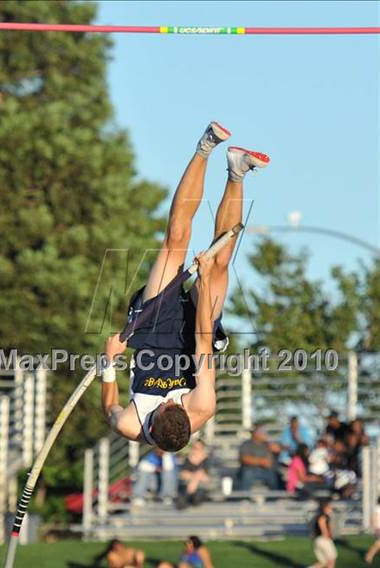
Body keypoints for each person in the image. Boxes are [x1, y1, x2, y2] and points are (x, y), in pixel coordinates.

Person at [100, 122, 269, 452]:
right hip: (195, 336)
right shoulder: (201, 408)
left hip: (150, 330)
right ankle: (237, 171)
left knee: (175, 241)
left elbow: (110, 408)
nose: (170, 400)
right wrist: (204, 284)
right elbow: (204, 340)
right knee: (219, 263)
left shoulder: (130, 423)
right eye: (177, 403)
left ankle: (204, 148)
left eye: (166, 404)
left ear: (156, 415)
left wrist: (109, 363)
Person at [238, 424, 280, 490]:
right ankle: (244, 497)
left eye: (263, 431)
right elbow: (244, 459)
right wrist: (261, 461)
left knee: (274, 475)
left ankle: (274, 499)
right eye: (260, 431)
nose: (263, 433)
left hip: (266, 471)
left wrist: (276, 449)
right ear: (254, 433)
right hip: (250, 470)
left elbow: (278, 451)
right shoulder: (246, 444)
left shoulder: (268, 444)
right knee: (247, 474)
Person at [177, 439, 210, 508]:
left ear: (202, 448)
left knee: (197, 478)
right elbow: (183, 474)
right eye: (195, 447)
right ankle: (189, 496)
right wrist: (194, 477)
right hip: (189, 483)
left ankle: (188, 497)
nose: (196, 450)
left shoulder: (206, 459)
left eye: (198, 448)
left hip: (201, 485)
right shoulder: (188, 458)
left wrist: (194, 477)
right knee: (195, 478)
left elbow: (205, 476)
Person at [307, 499, 337, 568]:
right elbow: (323, 527)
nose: (331, 508)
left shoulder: (317, 516)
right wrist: (328, 536)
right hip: (323, 539)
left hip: (316, 540)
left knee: (323, 562)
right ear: (325, 508)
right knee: (332, 560)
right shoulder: (323, 517)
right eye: (329, 507)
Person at [365, 496, 380, 564]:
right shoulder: (377, 508)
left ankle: (369, 555)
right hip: (378, 528)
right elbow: (373, 517)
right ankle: (369, 556)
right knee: (378, 544)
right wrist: (374, 527)